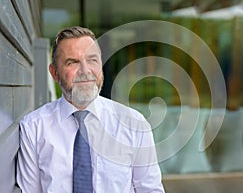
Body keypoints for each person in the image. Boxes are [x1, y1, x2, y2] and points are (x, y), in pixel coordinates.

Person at [17, 26, 165, 192]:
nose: (85, 71)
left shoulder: (134, 124)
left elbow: (150, 189)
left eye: (92, 60)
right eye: (72, 62)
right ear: (54, 73)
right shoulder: (34, 128)